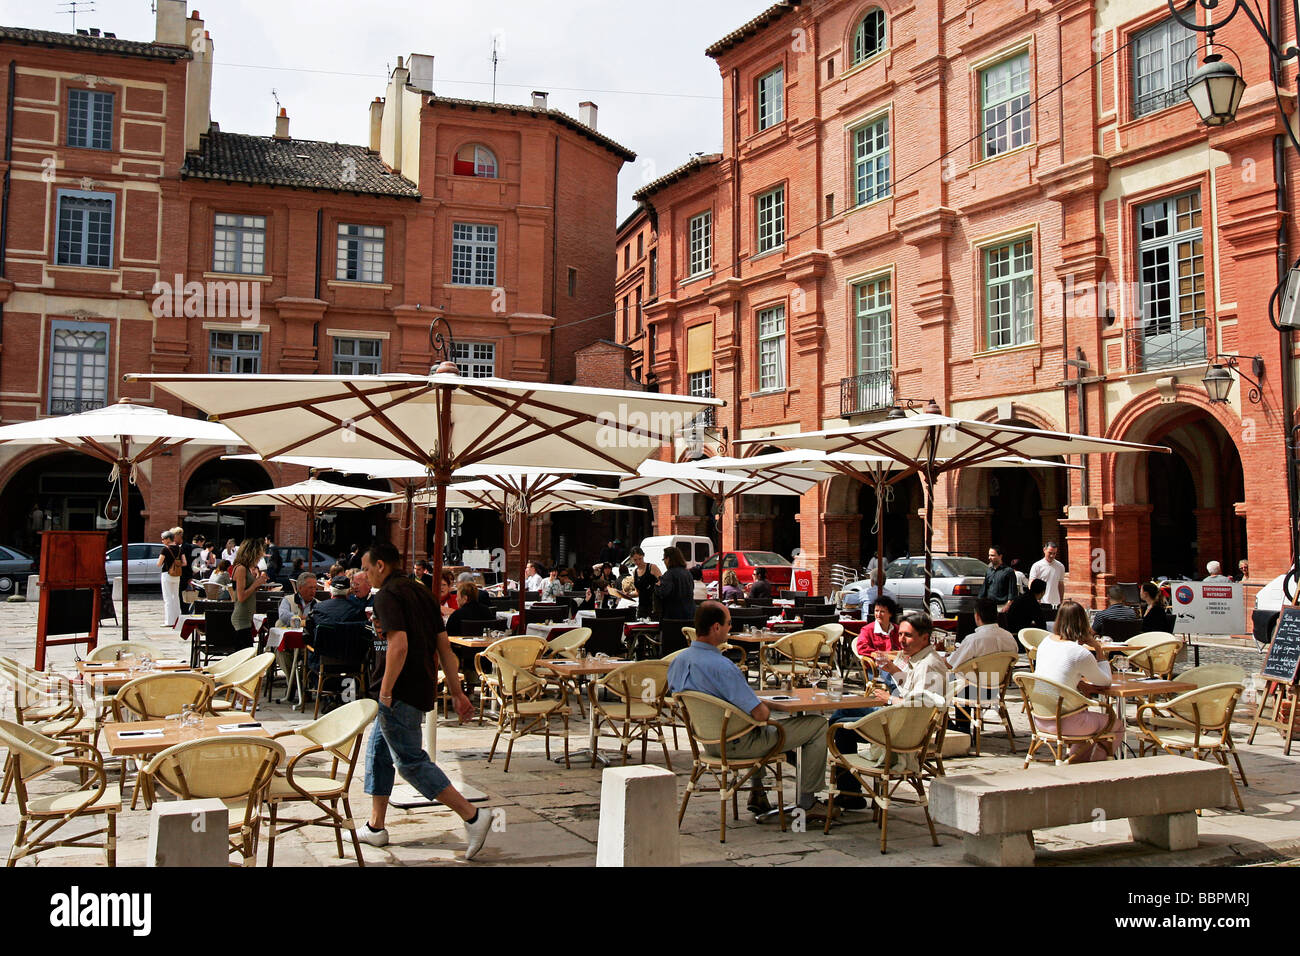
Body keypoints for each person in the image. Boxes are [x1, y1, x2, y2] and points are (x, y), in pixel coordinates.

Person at [358, 544, 492, 859]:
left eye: (365, 568)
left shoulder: (387, 595)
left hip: (399, 691)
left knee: (410, 762)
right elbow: (445, 648)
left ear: (380, 566)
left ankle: (472, 816)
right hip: (420, 686)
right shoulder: (422, 594)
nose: (363, 575)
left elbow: (398, 645)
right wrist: (458, 693)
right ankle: (376, 827)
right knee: (378, 753)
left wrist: (386, 690)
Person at [668, 602, 832, 819]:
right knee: (817, 725)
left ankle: (758, 791)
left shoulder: (678, 661)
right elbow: (761, 715)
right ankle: (808, 803)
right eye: (728, 624)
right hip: (737, 744)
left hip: (708, 743)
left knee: (749, 725)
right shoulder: (722, 667)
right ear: (716, 627)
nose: (730, 628)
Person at [831, 610, 949, 807]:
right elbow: (912, 690)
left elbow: (917, 707)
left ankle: (850, 792)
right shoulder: (919, 658)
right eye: (900, 634)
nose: (902, 640)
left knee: (841, 727)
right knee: (842, 714)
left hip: (903, 732)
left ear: (925, 637)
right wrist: (893, 670)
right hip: (900, 719)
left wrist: (890, 699)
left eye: (908, 635)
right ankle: (849, 790)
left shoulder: (928, 665)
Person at [1033, 600, 1121, 761]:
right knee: (1117, 724)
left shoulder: (1045, 643)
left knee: (1085, 719)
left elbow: (1055, 675)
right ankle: (1098, 766)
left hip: (1040, 718)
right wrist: (1099, 649)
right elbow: (1105, 682)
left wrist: (1078, 683)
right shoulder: (1079, 653)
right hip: (1067, 722)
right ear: (1084, 623)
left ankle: (1075, 763)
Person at [230, 538, 268, 647]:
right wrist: (256, 583)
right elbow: (241, 596)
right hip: (241, 619)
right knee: (245, 654)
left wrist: (256, 583)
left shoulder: (245, 568)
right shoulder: (241, 569)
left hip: (246, 618)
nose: (260, 557)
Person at [655, 545, 694, 621]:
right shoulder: (688, 573)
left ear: (668, 559)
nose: (664, 562)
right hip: (689, 615)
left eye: (664, 559)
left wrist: (657, 586)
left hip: (672, 617)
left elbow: (663, 592)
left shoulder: (669, 574)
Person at [157, 530, 184, 628]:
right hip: (177, 575)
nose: (162, 541)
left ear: (168, 539)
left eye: (163, 539)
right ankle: (178, 620)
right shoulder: (180, 549)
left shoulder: (165, 549)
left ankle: (169, 621)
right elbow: (184, 563)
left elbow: (159, 563)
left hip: (167, 574)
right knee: (175, 597)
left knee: (168, 598)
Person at [979, 545, 1017, 612]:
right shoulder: (989, 571)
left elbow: (1012, 591)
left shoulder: (1008, 571)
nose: (989, 558)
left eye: (992, 555)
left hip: (1002, 607)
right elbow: (984, 589)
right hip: (989, 606)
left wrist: (1008, 605)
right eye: (989, 555)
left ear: (1000, 556)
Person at [1028, 542, 1067, 609]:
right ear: (1044, 550)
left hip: (1055, 602)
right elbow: (1031, 582)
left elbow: (1060, 584)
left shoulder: (1060, 566)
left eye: (1054, 553)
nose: (1052, 555)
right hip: (1041, 601)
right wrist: (1034, 598)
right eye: (1050, 553)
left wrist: (1061, 599)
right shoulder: (1037, 566)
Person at [628, 547, 661, 618]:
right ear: (631, 560)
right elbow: (637, 592)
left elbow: (663, 583)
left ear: (643, 556)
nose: (638, 562)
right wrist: (627, 595)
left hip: (653, 606)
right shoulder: (635, 572)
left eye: (640, 559)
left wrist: (657, 585)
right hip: (642, 607)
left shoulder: (652, 567)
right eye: (635, 560)